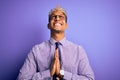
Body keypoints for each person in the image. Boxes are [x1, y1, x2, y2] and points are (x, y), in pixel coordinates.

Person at [17, 6, 94, 80]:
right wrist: (48, 73)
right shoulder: (36, 50)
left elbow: (89, 78)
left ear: (66, 25)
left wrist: (62, 73)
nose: (57, 18)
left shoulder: (78, 51)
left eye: (61, 17)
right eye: (53, 17)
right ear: (48, 25)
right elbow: (22, 78)